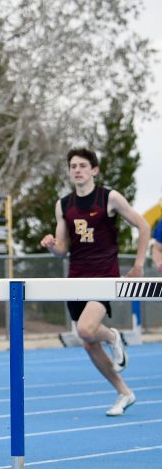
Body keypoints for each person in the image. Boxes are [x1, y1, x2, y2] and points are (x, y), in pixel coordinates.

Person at [40, 148, 148, 417]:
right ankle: (124, 392)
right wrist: (51, 245)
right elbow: (63, 248)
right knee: (87, 341)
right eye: (73, 166)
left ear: (94, 170)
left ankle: (113, 335)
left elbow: (143, 226)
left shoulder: (109, 198)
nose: (77, 170)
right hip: (76, 278)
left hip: (104, 276)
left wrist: (138, 265)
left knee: (87, 329)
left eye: (83, 166)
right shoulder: (63, 205)